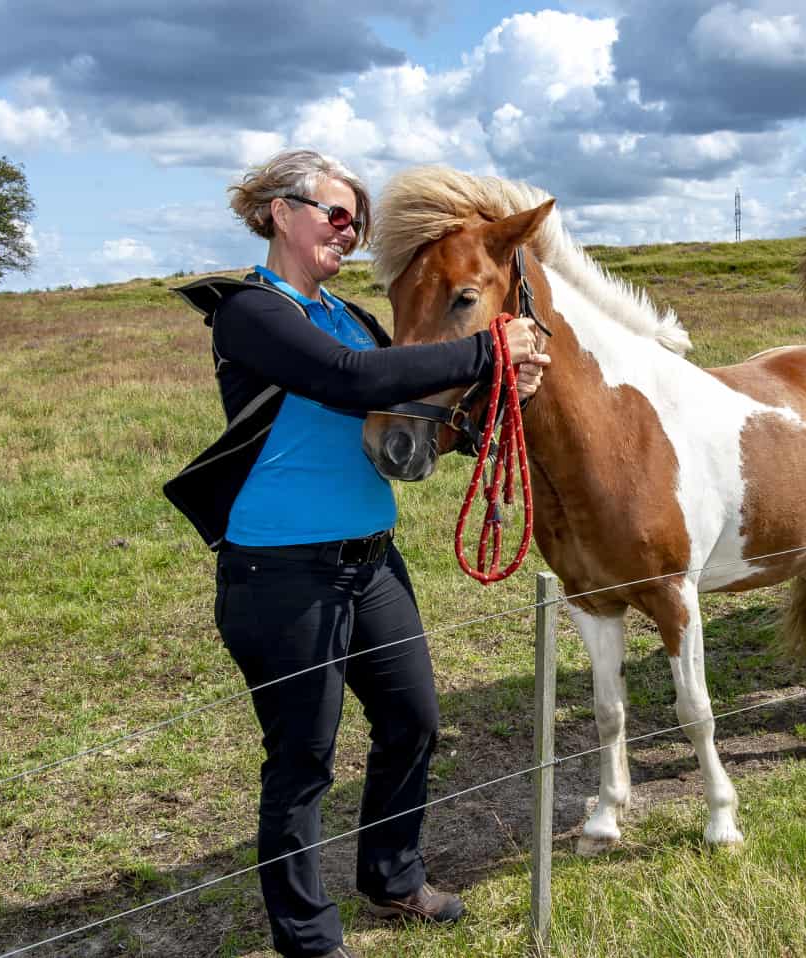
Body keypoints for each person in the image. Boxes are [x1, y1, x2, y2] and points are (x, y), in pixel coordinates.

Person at [164, 149, 549, 958]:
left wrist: (497, 399)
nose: (350, 232)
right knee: (303, 759)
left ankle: (393, 874)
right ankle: (307, 938)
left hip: (369, 561)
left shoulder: (346, 312)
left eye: (358, 222)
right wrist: (488, 350)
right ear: (279, 211)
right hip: (280, 571)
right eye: (336, 215)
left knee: (414, 721)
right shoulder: (252, 311)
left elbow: (404, 402)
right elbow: (349, 379)